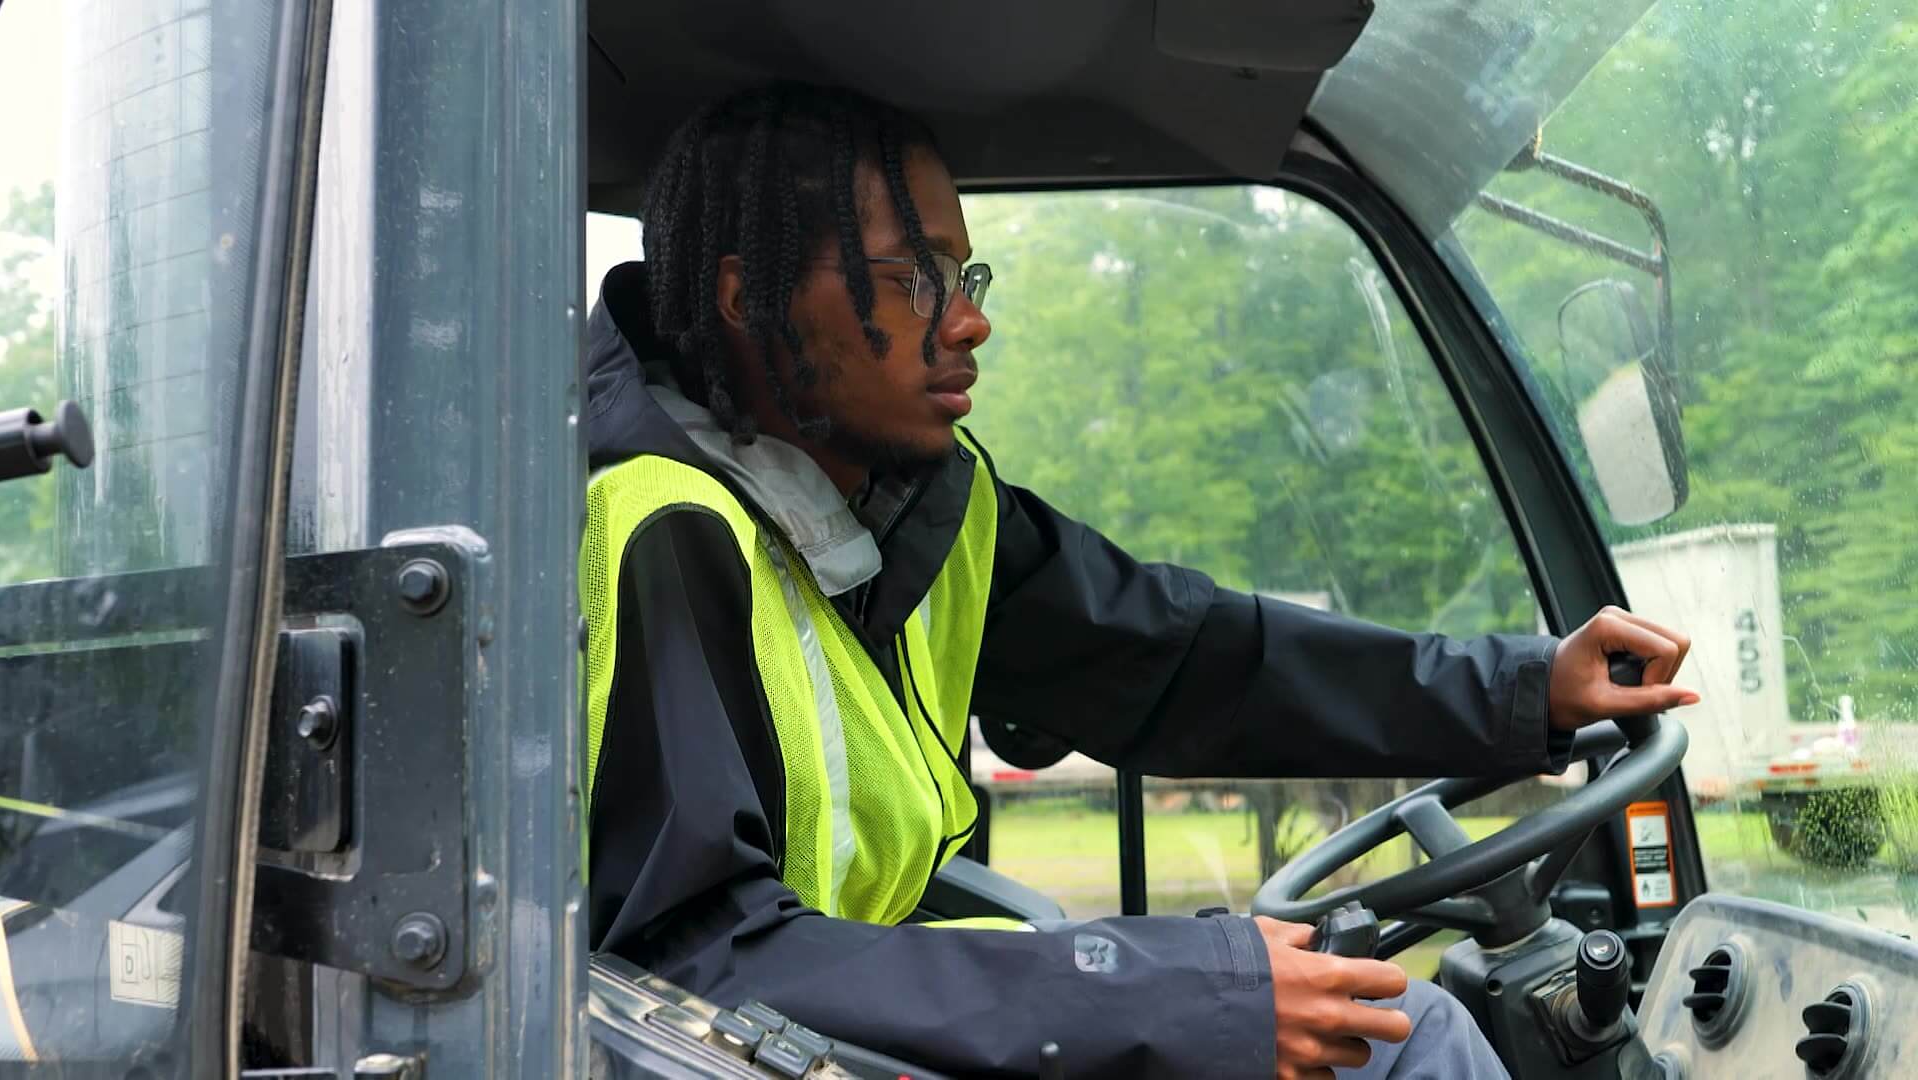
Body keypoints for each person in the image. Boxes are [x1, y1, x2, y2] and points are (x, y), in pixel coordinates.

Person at [579, 83, 1699, 1080]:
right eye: (912, 277)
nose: (969, 319)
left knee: (1394, 1027)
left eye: (961, 273)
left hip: (869, 1033)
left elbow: (1184, 660)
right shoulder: (655, 531)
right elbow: (694, 967)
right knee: (1417, 1043)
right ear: (744, 298)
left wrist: (1525, 691)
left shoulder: (912, 509)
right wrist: (1194, 992)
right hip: (782, 1051)